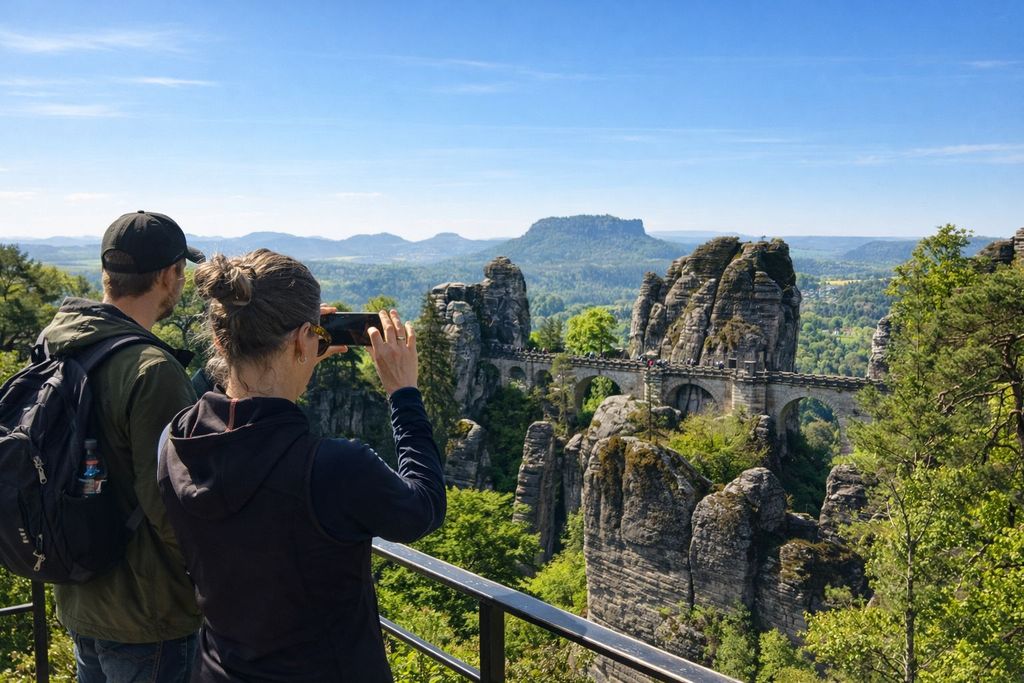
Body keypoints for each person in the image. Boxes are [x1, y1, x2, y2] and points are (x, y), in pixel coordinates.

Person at [157, 249, 446, 682]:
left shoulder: (176, 442)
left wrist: (297, 350)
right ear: (301, 339)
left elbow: (233, 401)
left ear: (220, 339)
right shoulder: (332, 468)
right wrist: (404, 393)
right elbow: (423, 508)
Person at [40, 210, 206, 682]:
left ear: (107, 275)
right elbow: (170, 505)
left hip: (79, 594)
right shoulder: (152, 371)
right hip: (146, 615)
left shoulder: (59, 343)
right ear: (170, 276)